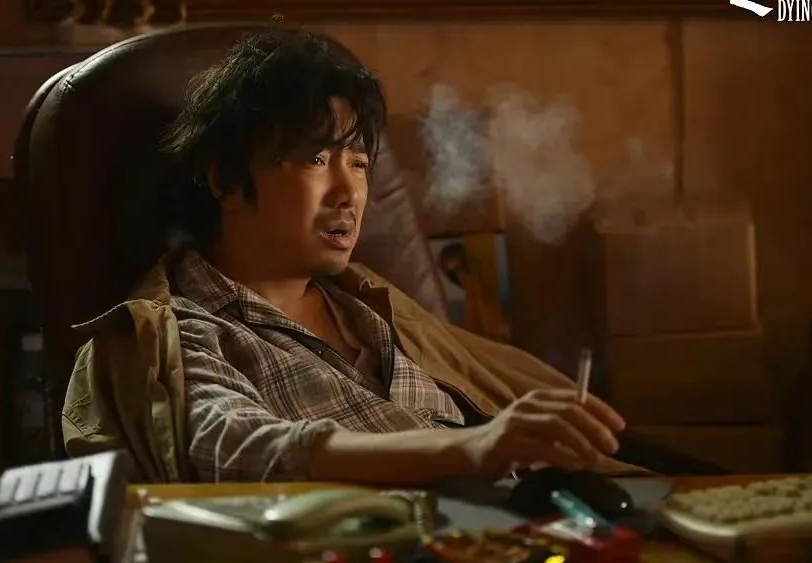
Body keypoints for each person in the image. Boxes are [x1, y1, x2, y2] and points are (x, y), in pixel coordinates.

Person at [62, 29, 629, 485]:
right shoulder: (181, 333)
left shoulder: (370, 304)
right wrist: (472, 448)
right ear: (227, 182)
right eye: (316, 159)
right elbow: (235, 447)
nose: (349, 194)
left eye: (358, 164)